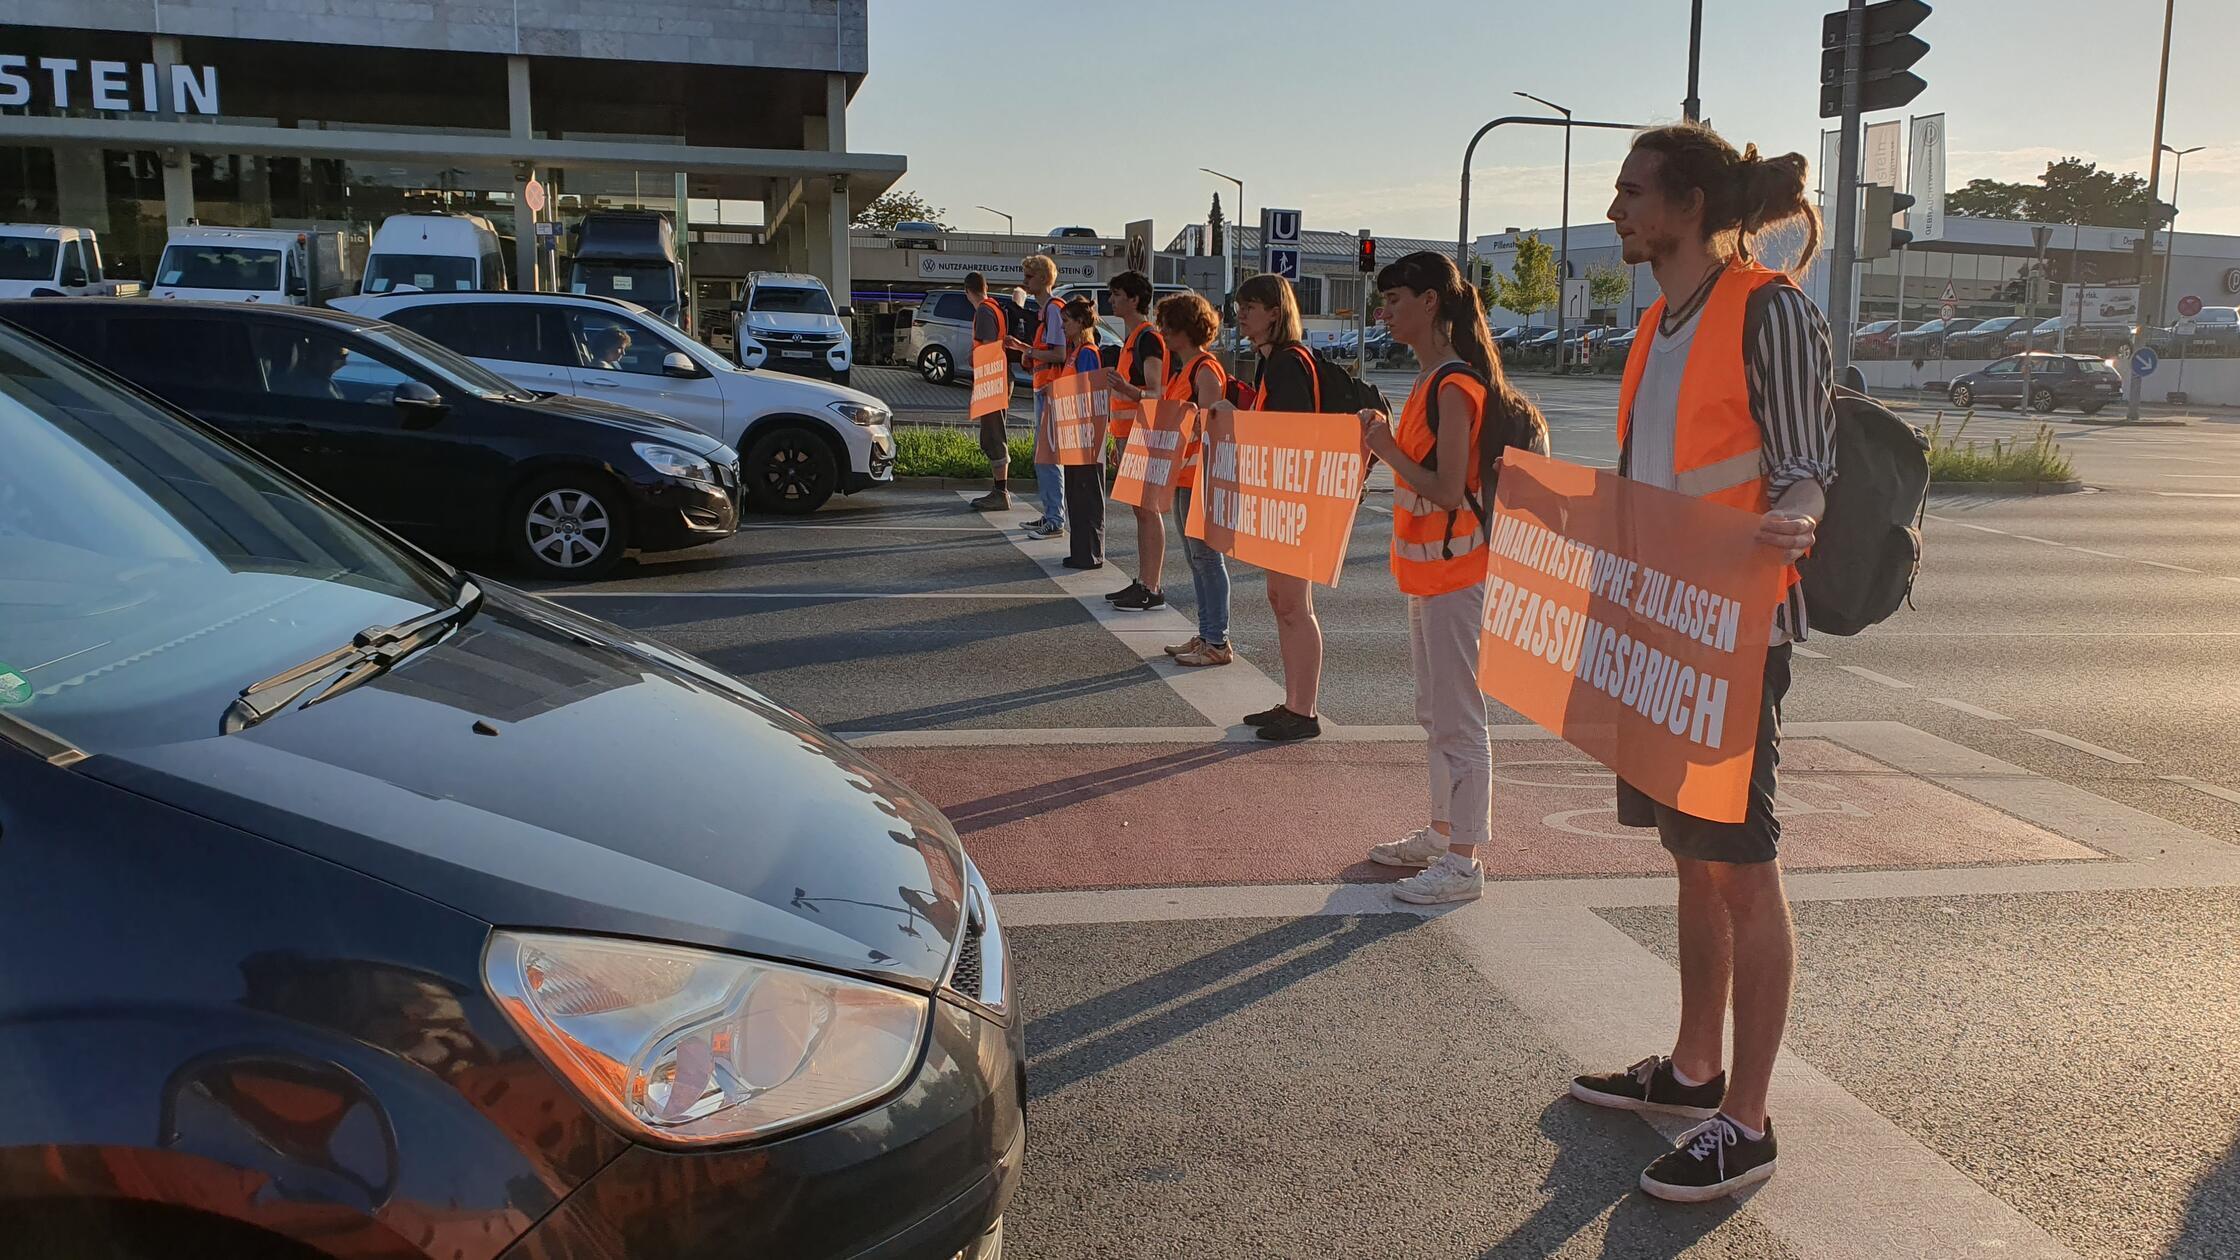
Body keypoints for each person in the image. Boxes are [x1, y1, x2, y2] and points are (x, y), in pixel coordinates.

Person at [1564, 122, 1835, 1204]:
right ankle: (1688, 1073)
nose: (1618, 209)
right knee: (1687, 859)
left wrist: (1799, 515)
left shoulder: (1763, 305)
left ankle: (1747, 1123)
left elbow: (1805, 460)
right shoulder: (1651, 328)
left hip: (1732, 634)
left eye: (1633, 192)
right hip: (1656, 630)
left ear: (1685, 205)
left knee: (1739, 869)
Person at [1357, 250, 1548, 906]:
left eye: (1395, 300)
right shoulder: (1428, 383)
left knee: (1459, 717)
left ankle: (1464, 860)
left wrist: (1382, 447)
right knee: (1435, 711)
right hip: (1432, 573)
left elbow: (1442, 489)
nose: (1384, 313)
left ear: (1431, 303)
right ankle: (1443, 836)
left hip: (1458, 574)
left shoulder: (1454, 388)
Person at [1222, 272, 1325, 742]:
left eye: (1251, 305)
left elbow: (1290, 436)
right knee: (1285, 602)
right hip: (1285, 500)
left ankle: (1303, 711)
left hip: (1295, 501)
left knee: (1292, 605)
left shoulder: (1285, 362)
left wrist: (1237, 420)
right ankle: (1295, 703)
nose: (1241, 312)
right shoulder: (1272, 361)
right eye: (1241, 304)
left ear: (1275, 313)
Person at [1156, 292, 1234, 668]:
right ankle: (1207, 634)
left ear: (1186, 328)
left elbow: (1210, 420)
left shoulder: (1205, 369)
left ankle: (1217, 640)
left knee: (1206, 557)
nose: (1164, 333)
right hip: (1184, 473)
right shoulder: (1186, 369)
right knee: (1196, 558)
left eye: (1169, 326)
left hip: (1199, 473)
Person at [1100, 271, 1169, 609]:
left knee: (1147, 510)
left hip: (1146, 435)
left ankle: (1151, 586)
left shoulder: (1148, 339)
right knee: (1141, 512)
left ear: (1134, 299)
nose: (1111, 300)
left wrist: (1126, 388)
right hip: (1132, 435)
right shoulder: (1134, 338)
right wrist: (1116, 440)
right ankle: (1144, 581)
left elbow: (1157, 392)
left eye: (1116, 294)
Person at [1005, 255, 1068, 539]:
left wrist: (1027, 351)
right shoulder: (1048, 311)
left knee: (1047, 456)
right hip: (1045, 388)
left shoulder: (1053, 310)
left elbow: (1058, 354)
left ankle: (1054, 518)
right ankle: (1051, 514)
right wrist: (1025, 348)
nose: (1025, 282)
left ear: (1044, 278)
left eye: (1029, 277)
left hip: (1051, 390)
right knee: (1045, 455)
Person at [1057, 296, 1108, 570]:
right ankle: (1080, 551)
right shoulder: (1075, 351)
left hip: (1085, 436)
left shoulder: (1087, 352)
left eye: (1066, 321)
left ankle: (1090, 553)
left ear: (1079, 323)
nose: (1062, 326)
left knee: (1087, 495)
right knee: (1076, 495)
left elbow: (1088, 393)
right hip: (1074, 435)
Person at [965, 271, 1013, 512]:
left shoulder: (983, 310)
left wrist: (974, 359)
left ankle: (1000, 492)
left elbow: (987, 346)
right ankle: (999, 490)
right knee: (992, 436)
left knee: (994, 437)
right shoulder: (994, 307)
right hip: (997, 377)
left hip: (991, 379)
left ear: (967, 292)